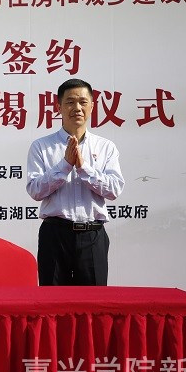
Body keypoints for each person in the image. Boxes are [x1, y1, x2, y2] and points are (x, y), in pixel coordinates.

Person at [26, 78, 125, 286]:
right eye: (70, 102)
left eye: (83, 102)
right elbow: (35, 190)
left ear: (92, 106)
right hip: (54, 235)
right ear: (59, 107)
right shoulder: (41, 146)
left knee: (94, 302)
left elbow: (114, 189)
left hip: (92, 235)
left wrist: (83, 168)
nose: (77, 108)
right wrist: (64, 165)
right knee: (52, 301)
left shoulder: (106, 147)